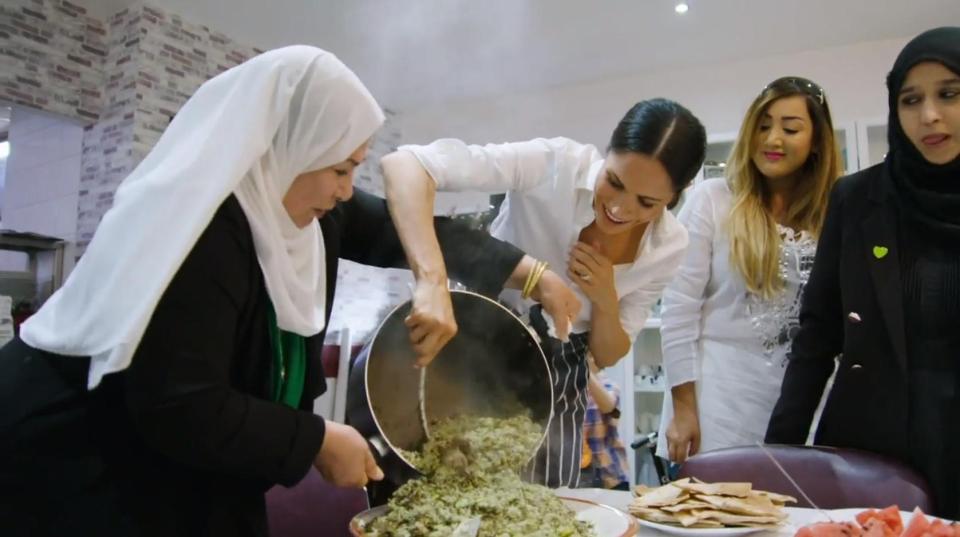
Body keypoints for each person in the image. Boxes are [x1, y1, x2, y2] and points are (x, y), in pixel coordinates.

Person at [0, 46, 560, 537]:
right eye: (340, 170)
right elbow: (180, 404)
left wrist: (533, 276)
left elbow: (404, 225)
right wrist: (314, 440)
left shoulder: (307, 209)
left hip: (192, 460)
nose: (346, 191)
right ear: (284, 147)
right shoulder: (201, 229)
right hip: (80, 459)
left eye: (353, 170)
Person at [380, 98, 707, 487]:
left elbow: (608, 352)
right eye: (615, 182)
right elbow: (406, 165)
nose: (619, 208)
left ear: (676, 194)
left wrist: (604, 297)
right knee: (450, 490)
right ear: (608, 153)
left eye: (647, 202)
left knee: (547, 507)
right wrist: (431, 281)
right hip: (476, 347)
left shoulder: (670, 245)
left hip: (561, 379)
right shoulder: (553, 164)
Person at [765, 27, 960, 518]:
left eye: (950, 94)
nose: (929, 116)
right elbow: (818, 335)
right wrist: (779, 456)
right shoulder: (857, 199)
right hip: (871, 447)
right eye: (911, 99)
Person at [657, 77, 842, 464]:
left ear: (817, 141)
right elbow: (677, 312)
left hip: (805, 408)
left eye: (790, 128)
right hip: (718, 406)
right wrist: (684, 409)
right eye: (762, 125)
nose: (772, 139)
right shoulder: (713, 200)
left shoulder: (836, 212)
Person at [579, 354, 630, 490]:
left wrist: (584, 372)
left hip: (611, 476)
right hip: (583, 478)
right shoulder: (571, 391)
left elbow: (609, 406)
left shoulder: (609, 385)